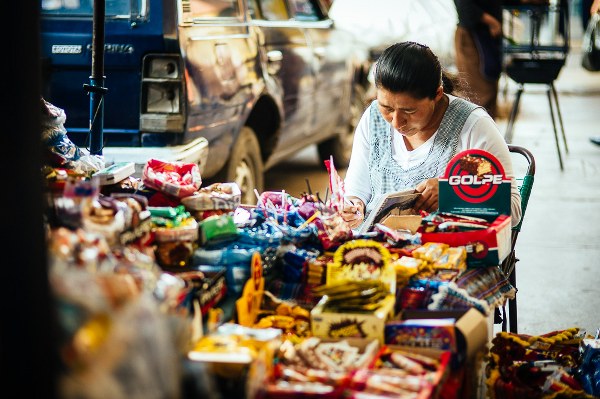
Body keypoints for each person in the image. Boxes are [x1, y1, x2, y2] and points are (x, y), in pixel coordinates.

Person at [341, 41, 522, 230]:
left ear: (437, 94)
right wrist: (354, 206)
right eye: (387, 108)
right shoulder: (373, 118)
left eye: (409, 111)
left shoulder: (473, 126)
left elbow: (513, 210)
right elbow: (356, 189)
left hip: (443, 252)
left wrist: (451, 194)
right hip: (376, 249)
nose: (396, 122)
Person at [453, 0, 503, 120]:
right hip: (471, 36)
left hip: (487, 36)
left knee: (489, 94)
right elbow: (465, 7)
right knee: (477, 96)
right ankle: (474, 136)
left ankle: (487, 136)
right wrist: (492, 22)